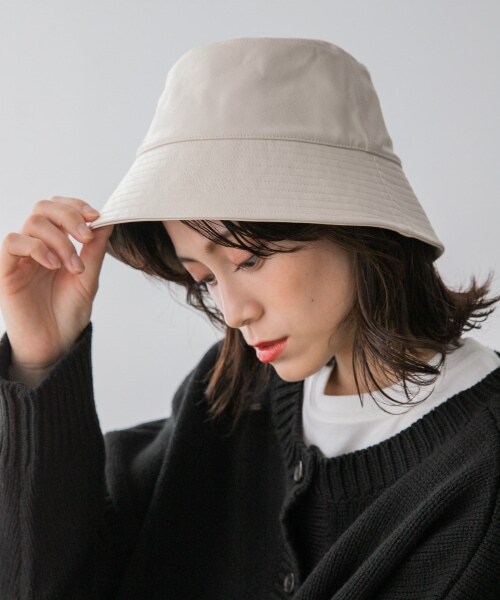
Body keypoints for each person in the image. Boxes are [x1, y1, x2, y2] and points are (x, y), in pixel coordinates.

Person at [0, 37, 499, 600]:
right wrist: (39, 357)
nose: (234, 313)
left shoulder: (480, 477)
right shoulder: (228, 397)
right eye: (205, 277)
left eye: (249, 259)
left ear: (357, 227)